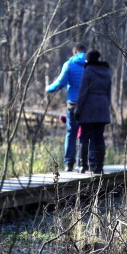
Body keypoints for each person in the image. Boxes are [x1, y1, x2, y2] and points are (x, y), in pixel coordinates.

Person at [46, 43, 87, 171]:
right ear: (85, 52)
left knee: (71, 133)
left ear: (74, 52)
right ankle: (82, 164)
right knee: (85, 134)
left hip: (73, 104)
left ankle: (69, 164)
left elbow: (60, 82)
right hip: (87, 104)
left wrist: (48, 88)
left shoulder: (69, 64)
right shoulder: (90, 65)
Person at [75, 49, 111, 174]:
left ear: (89, 59)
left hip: (88, 107)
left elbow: (83, 92)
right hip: (102, 106)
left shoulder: (88, 71)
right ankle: (99, 167)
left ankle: (82, 165)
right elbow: (109, 92)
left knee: (84, 137)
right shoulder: (106, 71)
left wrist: (78, 109)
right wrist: (107, 107)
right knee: (99, 138)